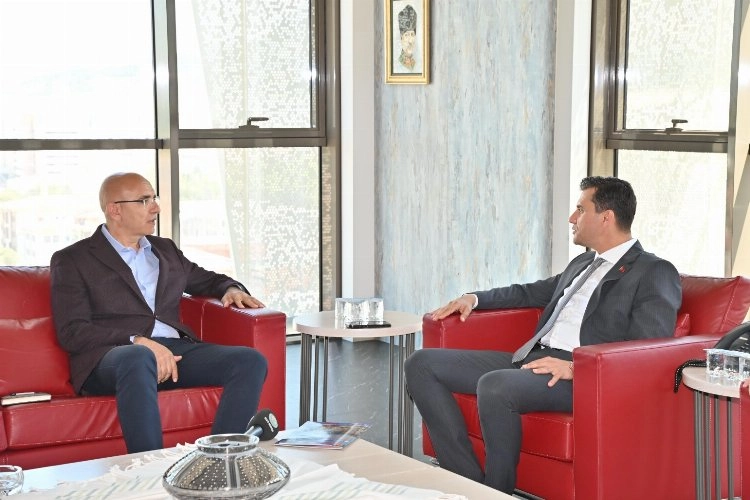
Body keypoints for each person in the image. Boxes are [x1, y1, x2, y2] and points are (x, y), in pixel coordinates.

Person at [404, 176, 682, 494]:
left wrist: (577, 367)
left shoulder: (653, 271)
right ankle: (469, 485)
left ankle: (496, 491)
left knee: (495, 386)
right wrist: (474, 298)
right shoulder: (583, 263)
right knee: (421, 364)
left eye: (581, 209)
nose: (572, 218)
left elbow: (647, 349)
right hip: (534, 359)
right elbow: (529, 292)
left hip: (581, 377)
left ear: (606, 217)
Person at [50, 172, 269, 453]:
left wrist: (231, 288)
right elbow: (72, 331)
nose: (155, 207)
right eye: (144, 200)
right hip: (113, 356)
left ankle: (220, 457)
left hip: (173, 352)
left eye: (154, 198)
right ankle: (148, 468)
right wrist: (137, 341)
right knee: (138, 356)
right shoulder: (73, 259)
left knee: (249, 361)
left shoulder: (164, 249)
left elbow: (207, 279)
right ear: (115, 210)